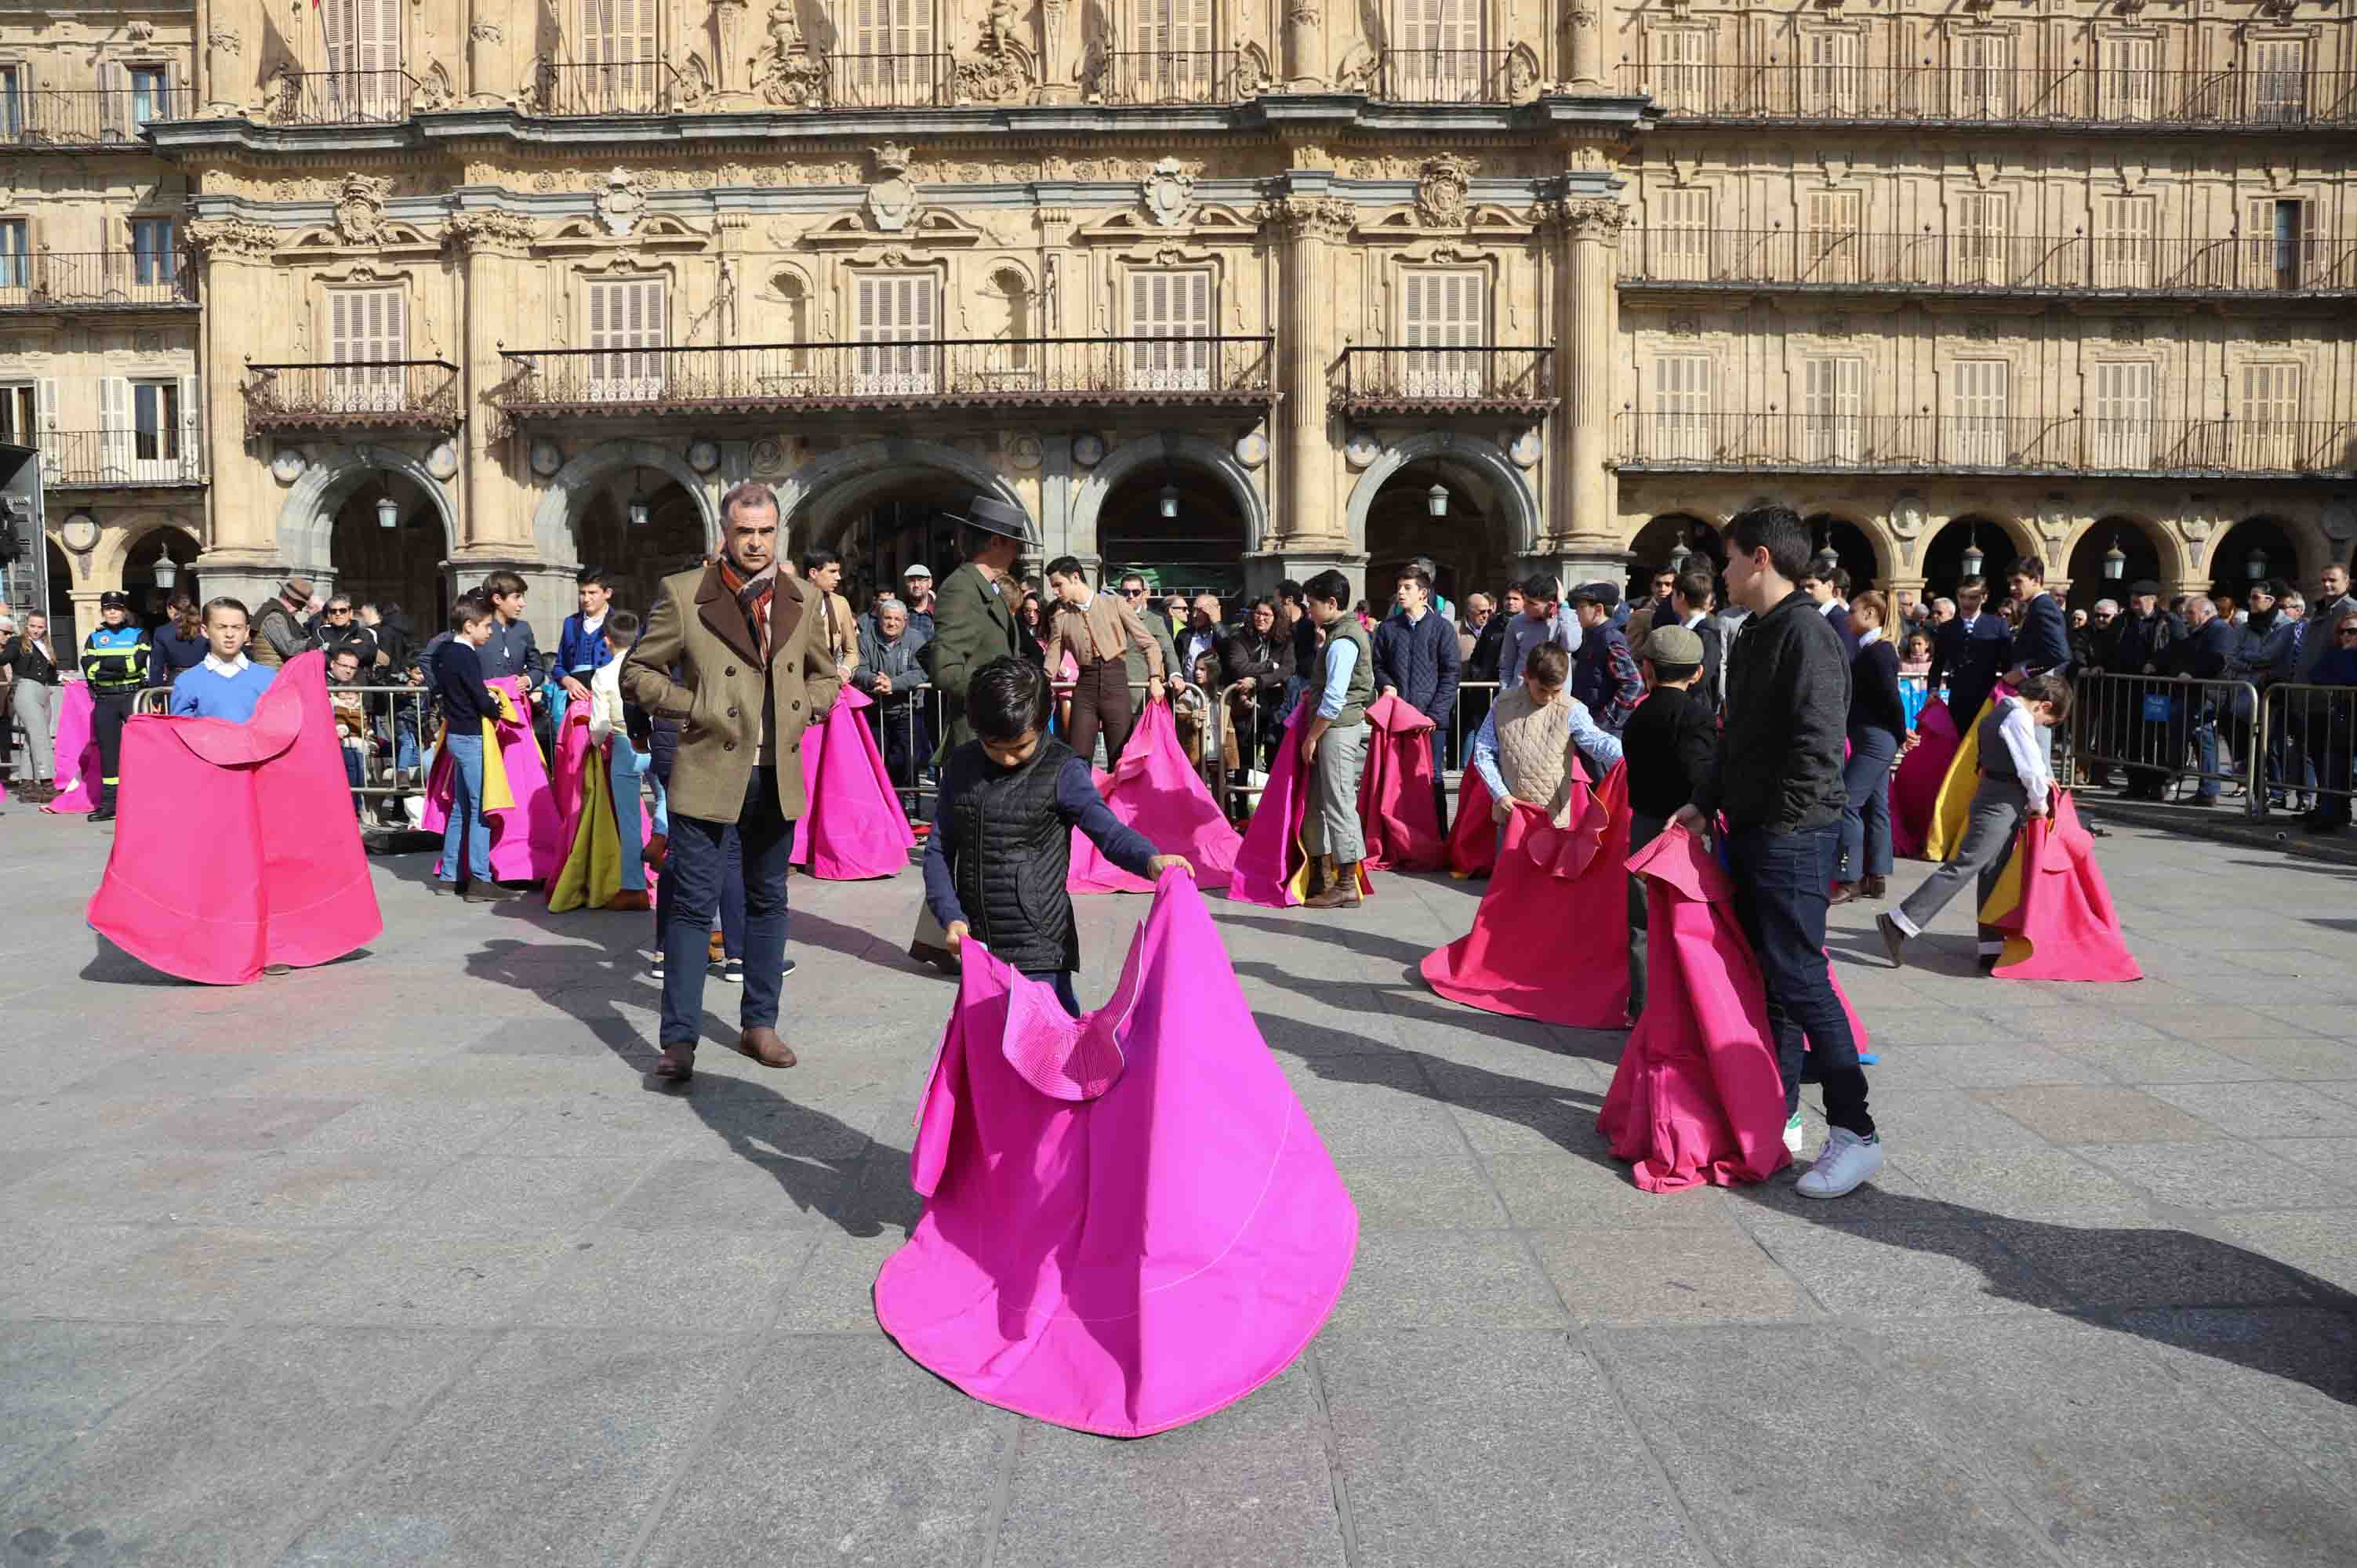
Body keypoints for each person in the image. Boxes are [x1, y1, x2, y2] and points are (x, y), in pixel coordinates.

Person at [1672, 504, 1876, 1199]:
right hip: (1756, 827)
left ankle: (1855, 1133)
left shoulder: (1810, 637)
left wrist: (1781, 827)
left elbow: (1818, 746)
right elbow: (1739, 736)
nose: (1721, 572)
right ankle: (1782, 1116)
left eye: (1729, 559)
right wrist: (1709, 797)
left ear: (1760, 558)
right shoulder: (1757, 632)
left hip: (1793, 833)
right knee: (1776, 985)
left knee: (1803, 979)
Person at [624, 480, 842, 1083]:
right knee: (694, 907)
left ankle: (760, 1025)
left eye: (765, 532)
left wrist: (806, 706)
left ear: (779, 533)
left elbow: (829, 675)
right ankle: (680, 1039)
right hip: (708, 771)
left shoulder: (801, 596)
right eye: (744, 531)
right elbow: (639, 670)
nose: (754, 542)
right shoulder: (683, 593)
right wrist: (692, 706)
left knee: (768, 900)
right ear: (725, 532)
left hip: (776, 775)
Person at [924, 656, 1193, 1016]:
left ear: (1041, 724)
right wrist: (951, 916)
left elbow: (1107, 831)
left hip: (1042, 946)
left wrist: (1150, 860)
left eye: (1019, 748)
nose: (1006, 760)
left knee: (1053, 1055)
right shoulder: (962, 764)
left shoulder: (1062, 769)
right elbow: (939, 849)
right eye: (994, 747)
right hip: (979, 946)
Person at [1877, 674, 2071, 972]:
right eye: (2046, 721)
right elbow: (2031, 768)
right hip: (2002, 802)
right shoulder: (2018, 718)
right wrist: (2040, 804)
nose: (2041, 727)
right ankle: (1900, 920)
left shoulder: (2001, 709)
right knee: (1967, 865)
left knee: (1992, 870)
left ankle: (1990, 945)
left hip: (1994, 796)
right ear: (2042, 706)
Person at [1619, 626, 1714, 1017]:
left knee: (1643, 926)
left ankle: (1642, 1008)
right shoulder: (1698, 717)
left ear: (1648, 670)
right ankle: (1689, 1009)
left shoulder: (1638, 716)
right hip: (1685, 830)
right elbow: (1702, 774)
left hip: (1643, 827)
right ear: (1697, 672)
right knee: (1690, 922)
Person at [1466, 641, 1622, 835]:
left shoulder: (1571, 709)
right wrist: (1500, 794)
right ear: (1526, 676)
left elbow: (1597, 742)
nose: (1549, 698)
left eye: (1556, 691)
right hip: (1510, 813)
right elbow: (1484, 750)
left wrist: (1629, 755)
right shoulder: (1503, 703)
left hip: (1553, 818)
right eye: (1542, 690)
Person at [930, 496, 1044, 752]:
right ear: (994, 542)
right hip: (978, 736)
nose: (1018, 552)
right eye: (1015, 544)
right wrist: (1003, 690)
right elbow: (946, 672)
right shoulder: (961, 588)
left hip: (997, 733)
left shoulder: (988, 587)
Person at [433, 600, 522, 904]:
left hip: (456, 734)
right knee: (482, 805)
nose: (489, 632)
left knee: (461, 807)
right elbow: (479, 697)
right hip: (471, 735)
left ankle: (449, 876)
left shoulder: (445, 652)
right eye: (486, 626)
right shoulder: (466, 655)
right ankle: (480, 880)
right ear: (469, 626)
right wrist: (496, 705)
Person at [1041, 555, 1167, 770]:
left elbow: (1150, 644)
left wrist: (1155, 677)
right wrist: (1040, 686)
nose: (1055, 591)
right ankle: (1080, 804)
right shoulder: (1060, 618)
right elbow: (1052, 659)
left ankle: (1119, 804)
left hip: (1116, 684)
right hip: (1085, 688)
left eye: (1058, 585)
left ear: (1075, 577)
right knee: (1077, 759)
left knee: (1121, 760)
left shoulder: (1115, 603)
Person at [1298, 569, 1376, 910]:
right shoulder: (1337, 635)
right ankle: (1323, 875)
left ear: (1332, 603)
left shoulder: (1343, 641)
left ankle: (1345, 882)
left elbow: (1334, 697)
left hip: (1336, 729)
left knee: (1340, 803)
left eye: (1312, 604)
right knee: (1320, 801)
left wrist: (1312, 737)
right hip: (1333, 727)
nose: (1309, 610)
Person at [1833, 591, 1905, 905]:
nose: (1848, 617)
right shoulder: (1871, 650)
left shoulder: (1878, 651)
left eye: (1853, 611)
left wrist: (1901, 734)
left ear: (1872, 614)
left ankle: (1849, 878)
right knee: (1876, 806)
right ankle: (1875, 876)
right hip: (1871, 736)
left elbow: (1892, 699)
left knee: (1847, 804)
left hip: (1876, 738)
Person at [583, 608, 654, 911]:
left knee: (629, 821)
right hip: (656, 743)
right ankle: (665, 856)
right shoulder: (649, 668)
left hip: (624, 744)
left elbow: (598, 724)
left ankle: (634, 886)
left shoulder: (603, 674)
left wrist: (595, 745)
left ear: (608, 640)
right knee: (665, 806)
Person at [1373, 564, 1463, 789]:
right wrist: (1386, 684)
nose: (1400, 593)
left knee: (1431, 778)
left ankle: (1438, 827)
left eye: (1407, 588)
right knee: (1395, 779)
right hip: (1398, 716)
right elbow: (1378, 665)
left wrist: (1435, 714)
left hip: (1431, 721)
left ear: (1423, 593)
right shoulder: (1388, 628)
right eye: (1399, 587)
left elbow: (1451, 674)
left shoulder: (1442, 629)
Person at [80, 590, 151, 823]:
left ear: (124, 611)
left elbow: (135, 665)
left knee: (140, 750)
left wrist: (104, 665)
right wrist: (118, 665)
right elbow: (89, 670)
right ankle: (110, 803)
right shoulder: (94, 638)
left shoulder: (139, 634)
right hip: (106, 700)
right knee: (109, 753)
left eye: (117, 608)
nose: (113, 612)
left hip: (131, 697)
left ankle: (143, 800)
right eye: (109, 608)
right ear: (102, 611)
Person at [855, 597, 933, 791]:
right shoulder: (865, 639)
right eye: (888, 618)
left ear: (905, 621)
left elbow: (922, 671)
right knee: (876, 762)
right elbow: (859, 669)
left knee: (907, 760)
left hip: (908, 711)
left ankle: (904, 801)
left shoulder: (916, 639)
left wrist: (894, 684)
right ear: (880, 619)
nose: (892, 623)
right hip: (875, 711)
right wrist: (874, 680)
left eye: (897, 619)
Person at [166, 597, 277, 722]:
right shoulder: (187, 682)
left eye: (236, 627)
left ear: (246, 632)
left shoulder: (269, 678)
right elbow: (182, 732)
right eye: (221, 627)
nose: (229, 634)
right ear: (205, 631)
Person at [1928, 574, 2013, 731]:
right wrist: (1933, 690)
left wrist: (2008, 695)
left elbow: (2008, 664)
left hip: (1988, 697)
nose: (1966, 603)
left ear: (1984, 597)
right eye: (1962, 597)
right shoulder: (1946, 628)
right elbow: (1937, 664)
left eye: (1973, 597)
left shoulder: (1998, 625)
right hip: (1957, 698)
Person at [1219, 597, 1293, 771]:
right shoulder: (1239, 636)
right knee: (1245, 759)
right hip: (1246, 706)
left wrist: (1258, 681)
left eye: (1267, 615)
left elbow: (1287, 669)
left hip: (1275, 705)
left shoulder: (1285, 639)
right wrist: (1269, 666)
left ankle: (1271, 797)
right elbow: (1239, 667)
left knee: (1274, 756)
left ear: (1276, 617)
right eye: (1258, 613)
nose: (1261, 618)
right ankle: (1243, 798)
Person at [2300, 608, 2357, 833]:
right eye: (2342, 632)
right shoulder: (2337, 653)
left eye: (2352, 631)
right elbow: (2317, 674)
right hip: (2344, 717)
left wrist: (2345, 661)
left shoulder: (2342, 655)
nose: (2346, 636)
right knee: (2334, 763)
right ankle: (2334, 812)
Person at [2175, 595, 2236, 805]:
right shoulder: (2199, 631)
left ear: (2206, 612)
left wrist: (2193, 673)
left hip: (2209, 692)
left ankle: (2209, 790)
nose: (2186, 617)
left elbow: (2219, 660)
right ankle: (2205, 789)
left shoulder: (2220, 629)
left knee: (2205, 739)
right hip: (2198, 691)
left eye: (2191, 613)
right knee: (2199, 739)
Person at [1, 612, 62, 801]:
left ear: (45, 628)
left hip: (44, 692)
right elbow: (4, 659)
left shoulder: (46, 647)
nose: (36, 630)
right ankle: (47, 784)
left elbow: (52, 676)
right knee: (41, 738)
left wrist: (62, 679)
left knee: (31, 740)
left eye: (40, 627)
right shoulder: (17, 642)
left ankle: (27, 787)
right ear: (26, 625)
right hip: (26, 690)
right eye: (33, 626)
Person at [1568, 582, 1642, 733]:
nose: (1577, 612)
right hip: (1587, 720)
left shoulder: (1609, 640)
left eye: (1582, 607)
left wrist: (1606, 720)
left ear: (1598, 610)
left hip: (1603, 731)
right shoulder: (1592, 635)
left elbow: (1634, 684)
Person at [1498, 574, 1579, 690]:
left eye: (1532, 603)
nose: (1524, 605)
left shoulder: (1567, 619)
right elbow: (1506, 665)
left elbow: (1571, 645)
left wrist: (1563, 606)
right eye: (1525, 599)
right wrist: (1506, 694)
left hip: (1555, 697)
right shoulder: (1516, 623)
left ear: (1551, 605)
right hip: (1521, 697)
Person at [477, 571, 546, 702]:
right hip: (483, 708)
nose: (522, 603)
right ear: (497, 599)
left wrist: (527, 680)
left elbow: (538, 668)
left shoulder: (523, 629)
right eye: (517, 597)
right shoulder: (477, 628)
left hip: (516, 708)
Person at [1117, 571, 1185, 705]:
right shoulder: (1110, 618)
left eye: (1135, 592)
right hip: (1113, 693)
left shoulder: (1154, 621)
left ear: (1143, 594)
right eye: (1125, 593)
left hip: (1140, 695)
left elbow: (1168, 650)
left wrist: (1175, 674)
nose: (1130, 596)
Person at [555, 569, 615, 710]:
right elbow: (559, 666)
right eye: (582, 593)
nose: (586, 599)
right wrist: (567, 681)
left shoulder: (622, 621)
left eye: (592, 593)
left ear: (608, 593)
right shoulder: (570, 623)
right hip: (577, 703)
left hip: (611, 702)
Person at [800, 549, 862, 682]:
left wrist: (845, 670)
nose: (838, 577)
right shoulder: (793, 601)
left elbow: (852, 652)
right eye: (832, 571)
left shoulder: (840, 603)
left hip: (829, 683)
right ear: (813, 573)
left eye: (838, 571)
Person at [247, 577, 317, 670]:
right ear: (287, 597)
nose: (300, 609)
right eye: (299, 604)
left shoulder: (279, 614)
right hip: (272, 675)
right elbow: (289, 648)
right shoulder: (275, 617)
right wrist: (313, 642)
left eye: (303, 606)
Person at [148, 592, 208, 687]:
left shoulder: (162, 632)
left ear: (171, 608)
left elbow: (157, 667)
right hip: (204, 680)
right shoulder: (204, 629)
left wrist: (156, 695)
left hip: (176, 682)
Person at [1177, 594, 1224, 683]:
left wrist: (1217, 624)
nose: (1194, 615)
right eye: (1194, 610)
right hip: (1189, 692)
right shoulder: (1184, 636)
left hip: (1215, 693)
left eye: (1199, 611)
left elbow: (1227, 648)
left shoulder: (1224, 635)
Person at [899, 563, 938, 645]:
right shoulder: (899, 612)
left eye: (920, 580)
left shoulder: (940, 610)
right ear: (906, 584)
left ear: (930, 583)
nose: (916, 585)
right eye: (912, 581)